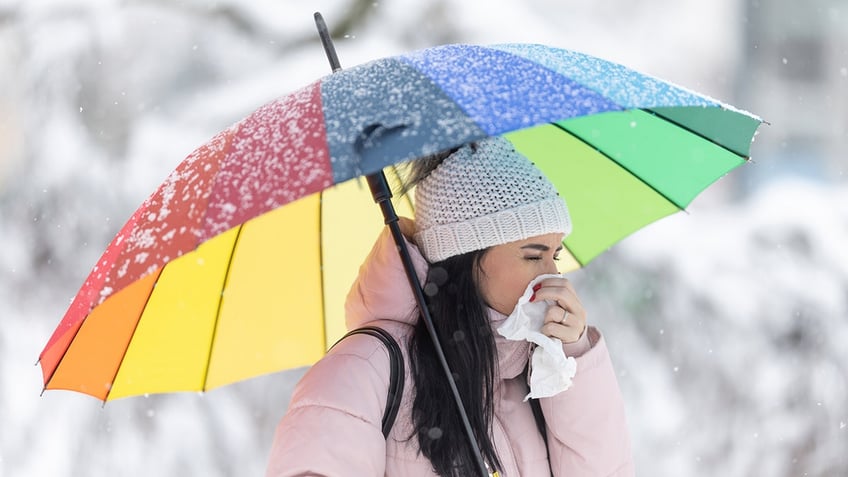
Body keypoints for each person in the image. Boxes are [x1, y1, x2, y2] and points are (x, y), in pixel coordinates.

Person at [266, 137, 634, 476]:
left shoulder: (529, 371)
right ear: (467, 258)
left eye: (555, 255)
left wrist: (571, 357)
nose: (554, 276)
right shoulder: (362, 370)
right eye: (533, 256)